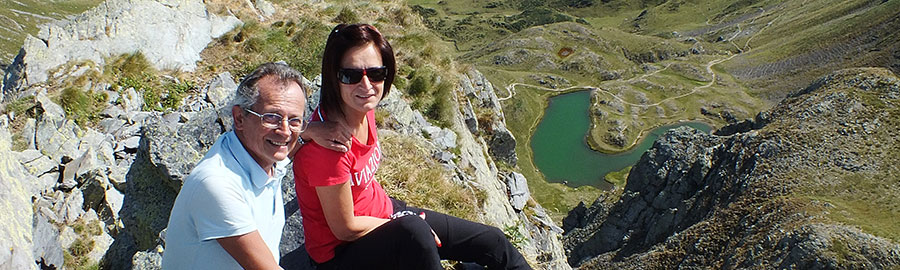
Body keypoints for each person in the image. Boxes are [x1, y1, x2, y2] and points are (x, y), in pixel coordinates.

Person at [293, 23, 533, 270]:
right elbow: (345, 229)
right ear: (334, 78)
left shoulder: (361, 110)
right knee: (416, 232)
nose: (366, 85)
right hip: (343, 254)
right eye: (351, 75)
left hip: (385, 214)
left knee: (493, 242)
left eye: (375, 73)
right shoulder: (328, 147)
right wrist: (405, 220)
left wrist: (399, 218)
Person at [161, 62, 346, 270]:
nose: (285, 131)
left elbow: (284, 147)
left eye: (294, 120)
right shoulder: (217, 184)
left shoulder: (260, 156)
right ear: (239, 118)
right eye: (272, 117)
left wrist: (309, 131)